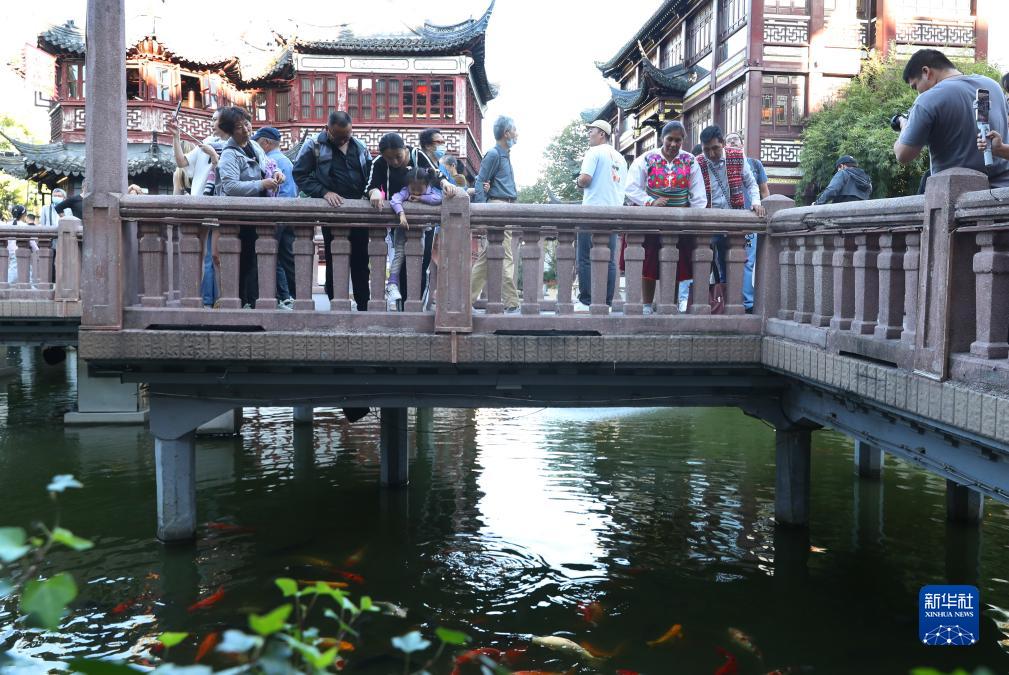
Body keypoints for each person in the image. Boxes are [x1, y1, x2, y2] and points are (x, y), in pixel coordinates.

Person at [893, 49, 1009, 187]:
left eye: (915, 86)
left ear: (926, 71)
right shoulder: (993, 86)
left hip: (958, 193)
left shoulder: (927, 99)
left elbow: (903, 155)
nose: (918, 92)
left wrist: (904, 124)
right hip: (1004, 190)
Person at [624, 120, 706, 313]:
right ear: (662, 138)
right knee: (648, 263)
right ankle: (646, 305)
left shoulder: (690, 161)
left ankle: (671, 304)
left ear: (683, 140)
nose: (673, 144)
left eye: (678, 140)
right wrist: (650, 201)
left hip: (679, 221)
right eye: (670, 139)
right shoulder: (646, 159)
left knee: (676, 263)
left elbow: (698, 194)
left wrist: (693, 217)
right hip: (652, 220)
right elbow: (631, 188)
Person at [293, 111, 372, 309]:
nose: (343, 140)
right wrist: (324, 192)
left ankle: (364, 304)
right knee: (333, 256)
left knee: (361, 259)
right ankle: (336, 302)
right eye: (338, 136)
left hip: (360, 212)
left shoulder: (360, 146)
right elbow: (300, 175)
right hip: (333, 211)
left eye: (347, 135)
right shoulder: (314, 146)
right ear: (327, 130)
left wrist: (371, 193)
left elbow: (370, 176)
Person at [214, 105, 285, 309]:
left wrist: (277, 173)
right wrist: (261, 184)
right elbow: (230, 186)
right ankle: (243, 303)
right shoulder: (229, 154)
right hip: (240, 217)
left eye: (246, 124)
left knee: (257, 260)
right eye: (239, 127)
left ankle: (255, 302)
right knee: (245, 261)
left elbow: (268, 165)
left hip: (257, 213)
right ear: (230, 131)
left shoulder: (254, 146)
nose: (245, 129)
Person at [695, 125, 764, 314]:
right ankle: (726, 300)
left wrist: (756, 202)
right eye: (706, 149)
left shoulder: (737, 156)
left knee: (743, 261)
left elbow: (751, 183)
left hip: (736, 218)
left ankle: (746, 305)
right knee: (718, 261)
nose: (711, 154)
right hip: (711, 220)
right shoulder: (698, 162)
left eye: (715, 148)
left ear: (723, 144)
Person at [170, 110, 229, 308]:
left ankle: (220, 299)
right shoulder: (206, 142)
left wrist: (213, 155)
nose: (212, 122)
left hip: (221, 206)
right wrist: (176, 136)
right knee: (202, 254)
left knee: (217, 256)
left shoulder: (232, 146)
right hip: (200, 205)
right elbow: (181, 162)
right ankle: (202, 299)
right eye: (211, 119)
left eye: (215, 119)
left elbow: (226, 175)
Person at [575, 119, 627, 307]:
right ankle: (607, 301)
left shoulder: (594, 152)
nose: (589, 134)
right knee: (610, 259)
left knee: (585, 257)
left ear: (602, 134)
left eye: (592, 131)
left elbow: (585, 179)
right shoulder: (620, 158)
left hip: (592, 211)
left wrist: (577, 182)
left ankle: (586, 300)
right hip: (613, 212)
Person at [471, 116, 521, 312]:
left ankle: (465, 300)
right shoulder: (494, 154)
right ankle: (512, 303)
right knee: (505, 255)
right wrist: (481, 211)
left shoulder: (504, 154)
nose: (517, 134)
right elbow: (479, 181)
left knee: (487, 257)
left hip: (505, 206)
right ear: (506, 133)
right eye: (514, 130)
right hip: (499, 207)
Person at [366, 133, 418, 307]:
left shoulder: (417, 156)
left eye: (398, 156)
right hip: (397, 220)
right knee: (399, 259)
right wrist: (374, 192)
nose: (395, 162)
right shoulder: (378, 163)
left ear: (405, 149)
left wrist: (446, 185)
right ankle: (401, 307)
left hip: (420, 223)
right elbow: (369, 186)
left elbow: (436, 176)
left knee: (417, 266)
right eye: (389, 159)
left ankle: (413, 310)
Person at [254, 126, 298, 310]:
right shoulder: (286, 160)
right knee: (288, 257)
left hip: (276, 213)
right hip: (291, 213)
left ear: (266, 142)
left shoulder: (270, 161)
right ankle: (296, 296)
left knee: (275, 256)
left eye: (257, 142)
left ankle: (284, 296)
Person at [725, 131, 769, 314]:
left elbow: (764, 191)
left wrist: (766, 210)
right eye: (728, 141)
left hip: (750, 218)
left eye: (735, 139)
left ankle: (747, 302)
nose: (732, 142)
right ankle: (726, 299)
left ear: (742, 144)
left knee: (748, 261)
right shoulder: (722, 163)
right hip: (726, 218)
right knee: (724, 259)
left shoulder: (754, 164)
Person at [387, 167, 444, 309]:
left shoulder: (431, 191)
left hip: (422, 232)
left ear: (427, 185)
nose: (416, 192)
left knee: (421, 259)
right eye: (413, 189)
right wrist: (401, 213)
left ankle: (419, 301)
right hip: (403, 230)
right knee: (399, 255)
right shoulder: (405, 191)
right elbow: (395, 199)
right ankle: (392, 283)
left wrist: (420, 198)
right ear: (408, 185)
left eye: (420, 189)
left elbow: (439, 198)